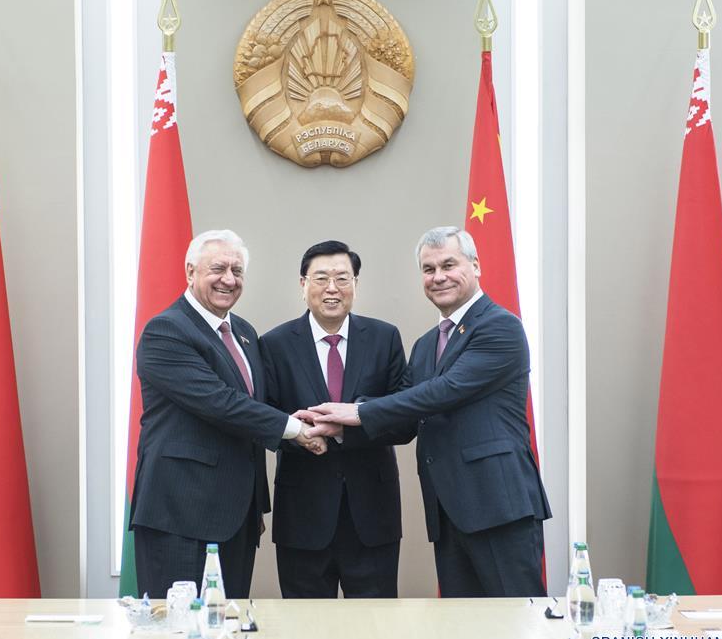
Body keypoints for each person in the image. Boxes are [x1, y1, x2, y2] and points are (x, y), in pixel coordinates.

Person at [304, 226, 551, 597]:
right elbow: (404, 418)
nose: (438, 277)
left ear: (476, 266)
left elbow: (443, 391)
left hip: (498, 506)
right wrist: (336, 428)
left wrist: (357, 411)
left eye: (449, 265)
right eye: (428, 269)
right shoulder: (426, 345)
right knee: (460, 626)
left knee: (516, 620)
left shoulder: (500, 326)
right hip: (448, 511)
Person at [128, 229, 326, 600]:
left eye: (237, 271)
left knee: (227, 624)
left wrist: (313, 422)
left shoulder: (244, 333)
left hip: (236, 518)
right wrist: (295, 429)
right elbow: (220, 403)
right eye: (218, 269)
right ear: (190, 271)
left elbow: (256, 408)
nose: (229, 279)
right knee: (179, 627)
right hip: (179, 514)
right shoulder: (166, 331)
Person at [260, 241, 411, 598]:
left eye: (343, 278)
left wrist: (346, 431)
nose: (332, 288)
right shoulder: (274, 344)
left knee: (376, 626)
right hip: (303, 515)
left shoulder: (384, 338)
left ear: (355, 284)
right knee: (305, 626)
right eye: (321, 278)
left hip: (373, 514)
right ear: (303, 284)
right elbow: (264, 422)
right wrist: (301, 434)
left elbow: (404, 421)